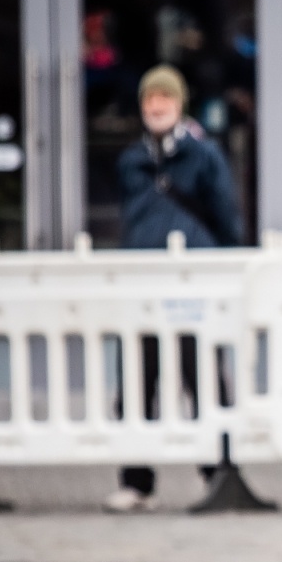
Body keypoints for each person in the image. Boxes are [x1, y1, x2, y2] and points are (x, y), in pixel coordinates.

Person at [106, 64, 240, 513]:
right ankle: (137, 481)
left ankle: (217, 473)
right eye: (149, 100)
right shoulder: (132, 160)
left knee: (200, 376)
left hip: (192, 284)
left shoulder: (204, 156)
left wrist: (225, 267)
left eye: (164, 98)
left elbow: (225, 217)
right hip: (143, 281)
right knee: (137, 380)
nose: (156, 106)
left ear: (179, 103)